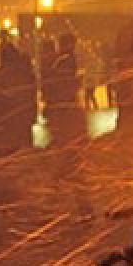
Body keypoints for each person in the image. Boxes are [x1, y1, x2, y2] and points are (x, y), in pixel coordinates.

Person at [42, 33, 94, 219]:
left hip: (66, 124)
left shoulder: (63, 62)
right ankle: (79, 205)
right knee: (69, 165)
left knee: (69, 165)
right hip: (68, 124)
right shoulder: (65, 62)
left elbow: (57, 88)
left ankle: (58, 199)